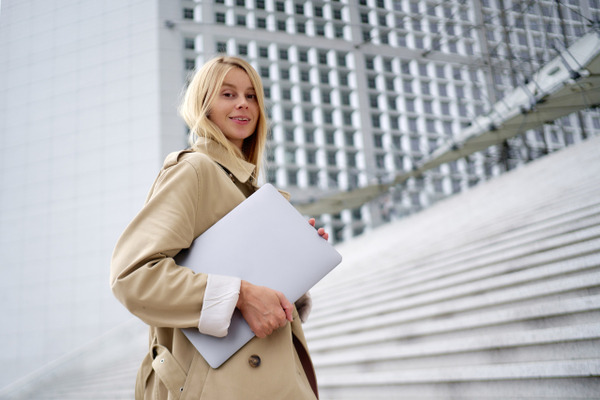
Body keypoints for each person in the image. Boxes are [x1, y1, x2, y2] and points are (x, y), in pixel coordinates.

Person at [110, 56, 327, 399]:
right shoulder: (194, 170)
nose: (243, 103)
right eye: (228, 94)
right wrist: (239, 294)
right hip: (215, 384)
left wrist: (294, 266)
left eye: (251, 95)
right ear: (204, 106)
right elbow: (133, 276)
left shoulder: (253, 193)